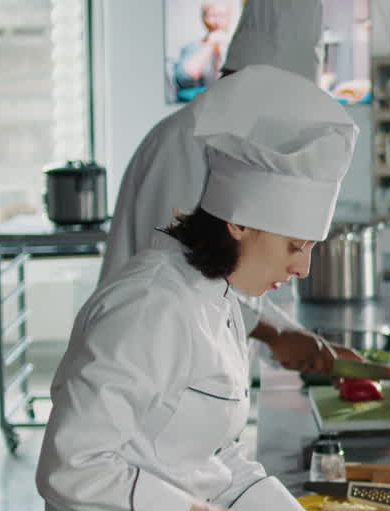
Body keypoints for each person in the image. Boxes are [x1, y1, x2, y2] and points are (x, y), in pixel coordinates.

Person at [18, 65, 390, 511]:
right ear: (241, 225)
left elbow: (213, 461)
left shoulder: (215, 298)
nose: (302, 267)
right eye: (297, 246)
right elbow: (73, 464)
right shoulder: (148, 304)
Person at [109, 0, 358, 376]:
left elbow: (224, 269)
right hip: (143, 362)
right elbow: (178, 272)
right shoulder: (185, 140)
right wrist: (274, 332)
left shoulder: (238, 138)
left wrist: (285, 331)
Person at [174, 1, 234, 101]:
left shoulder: (235, 46)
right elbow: (186, 78)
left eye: (222, 16)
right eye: (212, 15)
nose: (217, 21)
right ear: (204, 17)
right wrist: (210, 44)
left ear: (229, 18)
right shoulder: (192, 47)